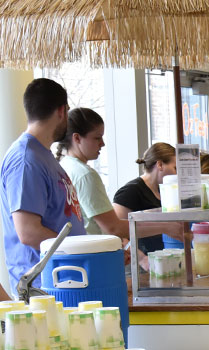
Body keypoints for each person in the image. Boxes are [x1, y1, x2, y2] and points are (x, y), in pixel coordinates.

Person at [0, 78, 85, 292]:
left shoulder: (42, 155)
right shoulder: (26, 159)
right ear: (61, 111)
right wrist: (84, 251)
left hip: (65, 278)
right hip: (44, 287)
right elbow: (28, 232)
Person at [56, 107, 130, 240]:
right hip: (92, 252)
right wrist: (164, 226)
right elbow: (113, 228)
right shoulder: (85, 175)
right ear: (77, 138)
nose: (102, 144)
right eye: (97, 138)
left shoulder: (63, 166)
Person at [113, 143, 176, 254]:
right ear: (160, 165)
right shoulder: (129, 192)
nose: (177, 174)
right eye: (175, 168)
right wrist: (142, 259)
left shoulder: (164, 191)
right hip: (139, 264)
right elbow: (117, 234)